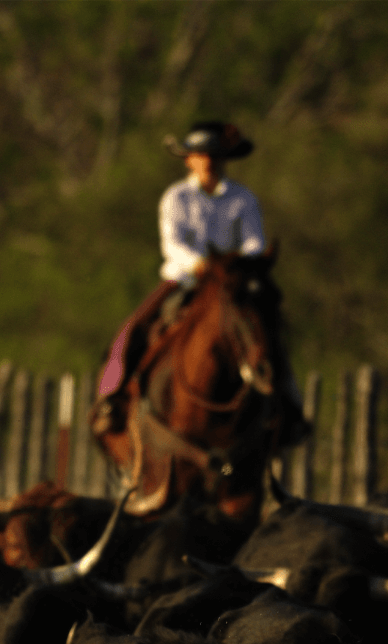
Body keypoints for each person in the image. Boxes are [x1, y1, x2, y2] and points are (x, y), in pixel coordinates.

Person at [94, 121, 307, 444]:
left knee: (269, 332)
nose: (209, 161)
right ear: (188, 160)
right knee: (133, 329)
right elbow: (172, 244)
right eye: (202, 155)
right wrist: (200, 263)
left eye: (216, 155)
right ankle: (111, 400)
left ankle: (290, 409)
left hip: (232, 283)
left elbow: (254, 242)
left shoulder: (242, 199)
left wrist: (237, 265)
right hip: (184, 279)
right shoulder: (176, 198)